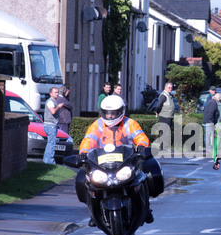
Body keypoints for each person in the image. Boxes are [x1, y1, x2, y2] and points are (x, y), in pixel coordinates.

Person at [78, 94, 153, 224]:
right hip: (103, 162)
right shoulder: (98, 125)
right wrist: (84, 152)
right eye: (107, 113)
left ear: (121, 111)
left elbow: (140, 136)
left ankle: (146, 209)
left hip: (126, 161)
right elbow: (89, 139)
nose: (110, 116)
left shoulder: (129, 123)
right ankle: (93, 214)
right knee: (86, 180)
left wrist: (141, 145)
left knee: (142, 178)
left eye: (113, 113)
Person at [43, 87, 64, 165]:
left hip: (52, 125)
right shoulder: (50, 102)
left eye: (57, 92)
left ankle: (46, 161)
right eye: (55, 92)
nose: (57, 94)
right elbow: (53, 111)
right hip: (50, 125)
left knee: (50, 143)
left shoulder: (53, 101)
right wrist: (58, 107)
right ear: (50, 93)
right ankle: (51, 162)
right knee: (52, 144)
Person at [202, 87, 220, 153]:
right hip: (209, 121)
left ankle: (209, 148)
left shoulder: (211, 101)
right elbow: (211, 113)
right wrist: (212, 121)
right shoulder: (213, 102)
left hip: (207, 120)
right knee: (208, 135)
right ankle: (209, 149)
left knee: (208, 135)